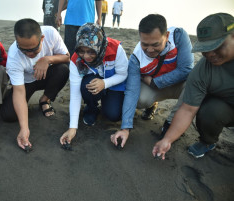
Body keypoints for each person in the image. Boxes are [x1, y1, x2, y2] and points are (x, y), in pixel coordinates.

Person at [153, 13, 234, 159]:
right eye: (205, 48)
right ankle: (208, 142)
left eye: (217, 46)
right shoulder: (203, 70)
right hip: (227, 109)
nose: (210, 54)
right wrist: (167, 140)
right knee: (209, 110)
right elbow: (187, 109)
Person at [111, 14, 194, 148]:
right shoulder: (135, 58)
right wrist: (125, 128)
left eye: (156, 44)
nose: (149, 50)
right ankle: (151, 105)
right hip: (155, 88)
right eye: (145, 44)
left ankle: (170, 125)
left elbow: (186, 69)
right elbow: (131, 92)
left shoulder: (178, 36)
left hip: (177, 85)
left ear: (166, 35)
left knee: (194, 84)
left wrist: (155, 82)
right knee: (138, 98)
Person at [0, 18, 69, 150]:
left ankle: (45, 99)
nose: (29, 54)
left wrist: (47, 59)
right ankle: (11, 95)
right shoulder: (14, 56)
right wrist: (24, 129)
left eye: (34, 49)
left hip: (46, 74)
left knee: (63, 69)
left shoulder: (50, 33)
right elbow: (19, 92)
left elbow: (66, 57)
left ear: (42, 38)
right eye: (24, 50)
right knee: (8, 115)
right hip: (26, 82)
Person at [60, 23, 128, 145]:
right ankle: (91, 108)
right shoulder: (76, 59)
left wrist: (105, 83)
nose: (86, 56)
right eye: (81, 51)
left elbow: (123, 74)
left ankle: (108, 102)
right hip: (93, 83)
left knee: (113, 115)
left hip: (113, 82)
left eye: (91, 51)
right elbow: (75, 94)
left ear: (100, 45)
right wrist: (72, 128)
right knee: (87, 85)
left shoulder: (116, 49)